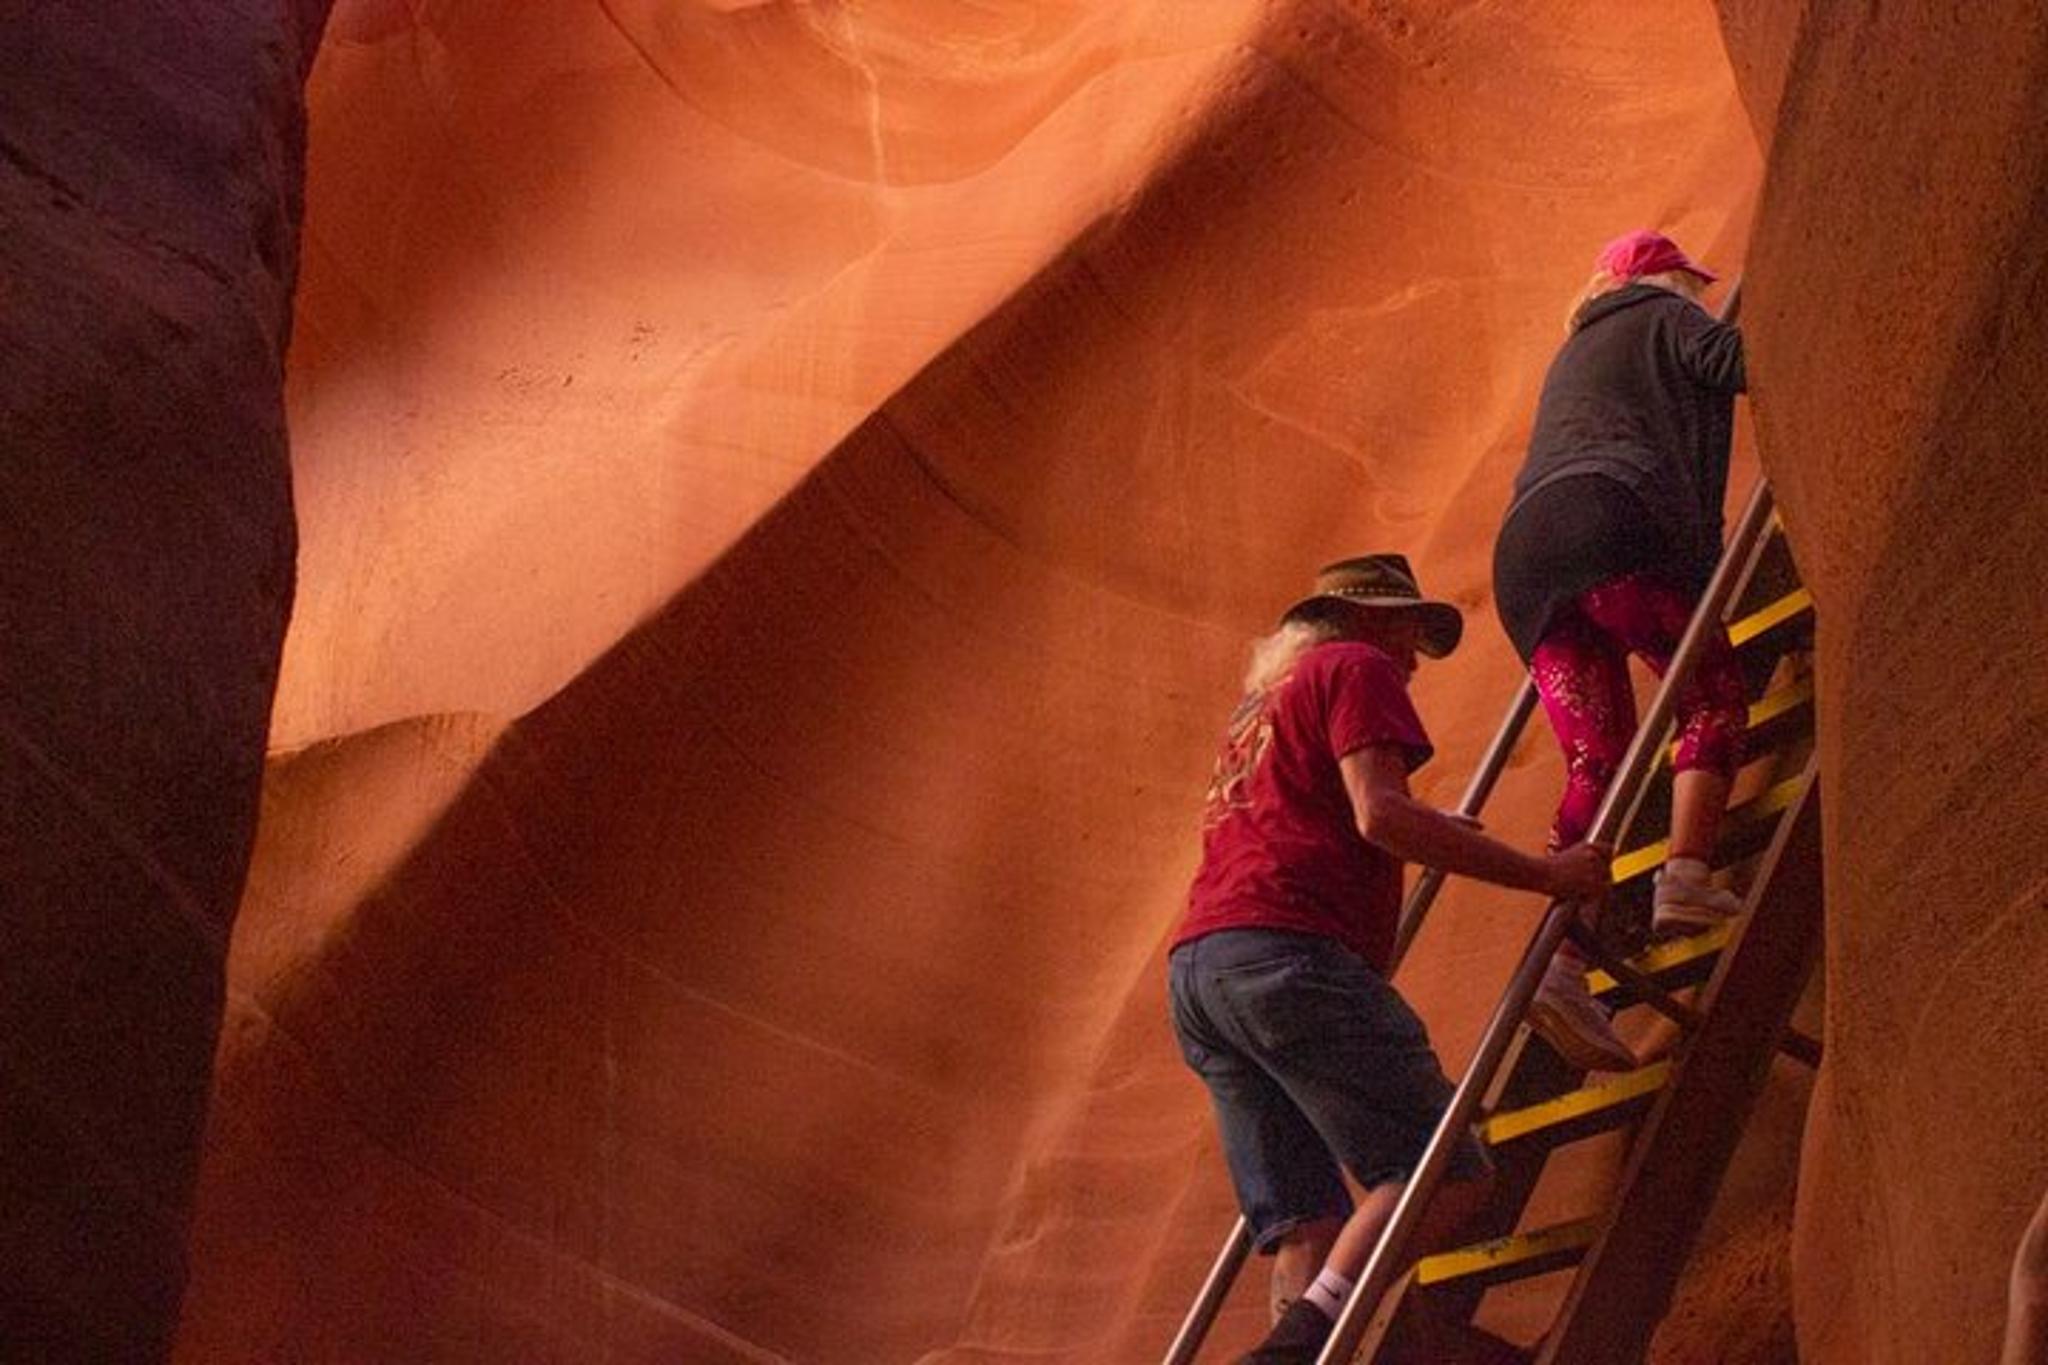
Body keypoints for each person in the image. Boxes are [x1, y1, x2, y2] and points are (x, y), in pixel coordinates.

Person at [1168, 554, 1611, 1365]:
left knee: (1308, 1219)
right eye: (1409, 633)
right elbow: (1381, 815)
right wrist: (1547, 874)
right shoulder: (1356, 665)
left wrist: (1423, 821)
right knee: (1443, 1171)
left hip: (1204, 969)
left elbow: (1313, 812)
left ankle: (1300, 1331)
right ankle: (1297, 1348)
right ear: (1368, 620)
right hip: (1288, 952)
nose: (1410, 662)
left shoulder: (1262, 702)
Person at [1491, 229, 1751, 1073]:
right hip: (1616, 517)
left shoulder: (1571, 354)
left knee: (1595, 761)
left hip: (1529, 558)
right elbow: (1734, 358)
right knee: (1707, 692)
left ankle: (1560, 965)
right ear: (1665, 279)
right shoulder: (1659, 316)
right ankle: (1685, 873)